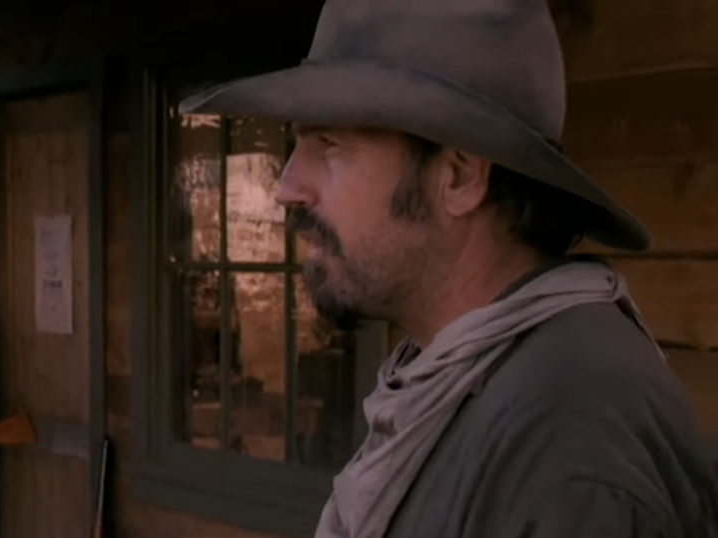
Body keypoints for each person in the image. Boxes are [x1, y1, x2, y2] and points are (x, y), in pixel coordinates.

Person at [180, 0, 718, 537]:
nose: (286, 188)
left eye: (329, 144)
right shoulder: (466, 373)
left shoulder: (570, 442)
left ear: (458, 176)